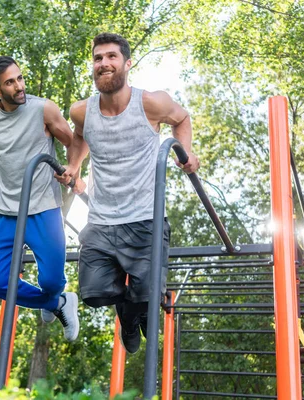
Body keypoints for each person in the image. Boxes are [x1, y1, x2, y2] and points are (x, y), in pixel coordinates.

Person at [57, 33, 200, 353]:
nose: (104, 63)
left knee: (146, 294)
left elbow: (182, 118)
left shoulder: (150, 102)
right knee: (94, 294)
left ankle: (138, 313)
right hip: (101, 219)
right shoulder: (82, 110)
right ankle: (132, 311)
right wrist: (75, 166)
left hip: (145, 218)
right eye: (98, 58)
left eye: (111, 57)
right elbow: (80, 137)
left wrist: (185, 153)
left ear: (127, 63)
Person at [0, 56, 80, 341]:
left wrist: (72, 170)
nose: (19, 86)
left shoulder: (43, 109)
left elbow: (74, 142)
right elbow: (0, 150)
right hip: (6, 210)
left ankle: (53, 295)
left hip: (43, 206)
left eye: (20, 78)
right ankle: (57, 303)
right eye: (10, 82)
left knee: (49, 281)